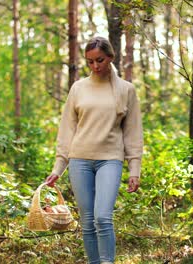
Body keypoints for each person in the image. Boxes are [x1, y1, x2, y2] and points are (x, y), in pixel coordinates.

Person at [45, 36, 143, 264]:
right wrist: (58, 167)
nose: (95, 66)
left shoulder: (126, 90)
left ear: (110, 57)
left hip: (110, 160)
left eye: (99, 60)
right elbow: (67, 129)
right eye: (90, 62)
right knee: (88, 221)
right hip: (79, 161)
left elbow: (133, 132)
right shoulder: (78, 88)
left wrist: (134, 170)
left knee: (102, 217)